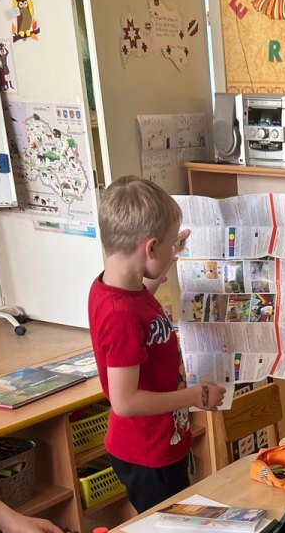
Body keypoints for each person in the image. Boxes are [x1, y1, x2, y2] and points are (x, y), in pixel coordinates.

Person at [88, 177, 225, 514]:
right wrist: (195, 396)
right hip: (146, 452)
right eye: (168, 245)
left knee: (178, 522)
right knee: (171, 532)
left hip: (161, 441)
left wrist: (170, 255)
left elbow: (142, 314)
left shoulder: (122, 287)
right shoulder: (120, 314)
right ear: (150, 248)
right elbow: (124, 402)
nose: (172, 251)